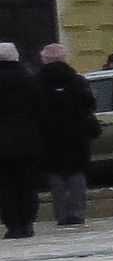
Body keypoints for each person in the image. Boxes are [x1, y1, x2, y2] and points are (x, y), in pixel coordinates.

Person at [35, 45, 96, 227]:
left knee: (55, 174)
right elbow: (89, 104)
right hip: (76, 135)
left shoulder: (37, 81)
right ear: (64, 58)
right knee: (76, 173)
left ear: (44, 59)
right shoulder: (77, 80)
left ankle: (61, 214)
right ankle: (77, 213)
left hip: (48, 135)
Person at [0, 45, 37, 238]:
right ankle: (28, 222)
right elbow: (40, 109)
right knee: (27, 183)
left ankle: (12, 225)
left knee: (6, 185)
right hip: (27, 140)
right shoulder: (29, 78)